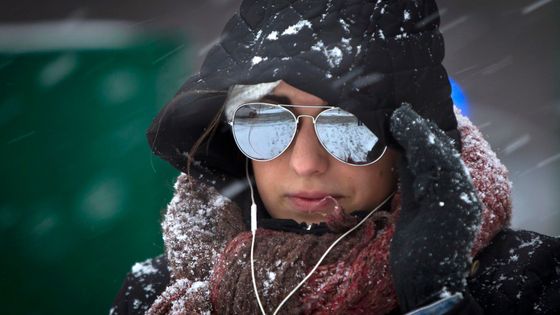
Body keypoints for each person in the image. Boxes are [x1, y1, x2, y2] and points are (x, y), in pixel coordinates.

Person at [110, 0, 560, 314]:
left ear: (409, 144)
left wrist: (437, 301)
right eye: (266, 122)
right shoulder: (157, 291)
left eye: (347, 126)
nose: (306, 163)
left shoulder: (526, 281)